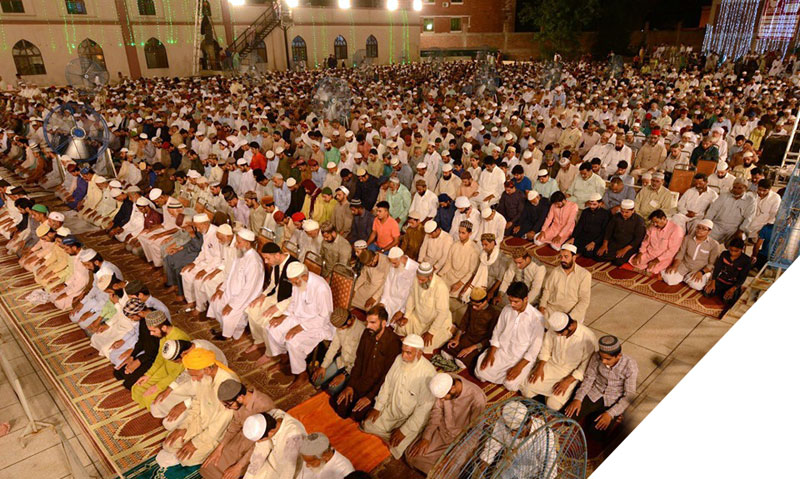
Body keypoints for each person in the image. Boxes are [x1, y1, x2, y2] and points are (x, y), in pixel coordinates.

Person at [156, 348, 238, 468]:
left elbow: (219, 426)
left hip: (215, 433)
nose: (193, 379)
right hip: (199, 421)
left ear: (206, 369)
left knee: (186, 459)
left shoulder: (229, 386)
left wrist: (195, 443)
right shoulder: (205, 376)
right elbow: (197, 402)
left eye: (194, 376)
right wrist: (184, 426)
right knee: (168, 444)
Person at [361, 334, 436, 459]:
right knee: (367, 424)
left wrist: (404, 430)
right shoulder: (398, 359)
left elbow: (424, 408)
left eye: (408, 353)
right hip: (392, 410)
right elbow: (388, 384)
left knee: (396, 447)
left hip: (409, 418)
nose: (404, 356)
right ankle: (389, 434)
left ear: (419, 353)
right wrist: (378, 407)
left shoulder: (428, 373)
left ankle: (397, 435)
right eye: (403, 351)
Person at [265, 262, 334, 387]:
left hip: (316, 325)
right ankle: (285, 359)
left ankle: (302, 374)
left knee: (292, 340)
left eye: (295, 283)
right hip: (297, 317)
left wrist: (299, 328)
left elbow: (324, 317)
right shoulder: (298, 282)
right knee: (271, 327)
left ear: (304, 276)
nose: (294, 285)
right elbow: (293, 301)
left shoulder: (320, 288)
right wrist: (284, 315)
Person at [404, 373, 487, 474]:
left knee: (445, 472)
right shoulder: (443, 380)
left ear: (452, 389)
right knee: (411, 455)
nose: (441, 400)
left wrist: (454, 458)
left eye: (444, 397)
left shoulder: (477, 398)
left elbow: (475, 432)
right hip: (442, 431)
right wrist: (426, 438)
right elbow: (436, 414)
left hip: (460, 440)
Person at [330, 305, 402, 421]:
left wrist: (370, 397)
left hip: (376, 389)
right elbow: (359, 362)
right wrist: (350, 386)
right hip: (360, 383)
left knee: (357, 415)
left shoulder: (393, 343)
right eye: (368, 322)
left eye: (373, 322)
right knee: (341, 406)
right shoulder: (366, 334)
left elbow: (387, 377)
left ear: (383, 323)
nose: (368, 326)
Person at [565, 335, 638, 442]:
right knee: (568, 416)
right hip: (594, 393)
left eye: (607, 359)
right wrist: (578, 399)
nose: (603, 362)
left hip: (613, 400)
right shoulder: (596, 357)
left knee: (595, 433)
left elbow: (630, 395)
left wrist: (610, 413)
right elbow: (589, 379)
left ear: (619, 356)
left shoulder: (630, 365)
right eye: (601, 357)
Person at [474, 282, 545, 392]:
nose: (512, 305)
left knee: (510, 384)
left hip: (520, 358)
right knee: (480, 372)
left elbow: (534, 349)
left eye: (516, 302)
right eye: (510, 301)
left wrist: (519, 367)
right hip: (502, 352)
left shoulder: (537, 318)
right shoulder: (507, 309)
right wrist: (491, 353)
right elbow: (497, 331)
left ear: (526, 299)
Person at [199, 380, 275, 479]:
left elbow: (263, 443)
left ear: (240, 398)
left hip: (254, 448)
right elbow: (234, 425)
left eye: (228, 405)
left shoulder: (264, 405)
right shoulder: (240, 403)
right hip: (239, 440)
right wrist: (219, 448)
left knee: (225, 474)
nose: (227, 408)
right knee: (209, 467)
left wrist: (239, 466)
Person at [521, 312, 597, 410]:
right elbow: (546, 348)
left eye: (560, 333)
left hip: (570, 373)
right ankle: (543, 399)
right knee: (526, 389)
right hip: (552, 365)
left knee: (553, 404)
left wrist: (567, 381)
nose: (558, 335)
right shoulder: (556, 329)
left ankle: (552, 398)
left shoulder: (588, 337)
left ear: (570, 326)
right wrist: (540, 367)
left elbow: (586, 366)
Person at [208, 229, 265, 340]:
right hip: (231, 291)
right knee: (216, 301)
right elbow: (231, 274)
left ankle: (237, 335)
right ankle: (225, 330)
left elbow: (249, 289)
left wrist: (232, 304)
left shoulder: (254, 262)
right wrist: (222, 288)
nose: (235, 244)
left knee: (229, 315)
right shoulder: (240, 253)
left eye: (238, 242)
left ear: (247, 244)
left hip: (245, 298)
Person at [130, 311, 191, 409]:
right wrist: (148, 375)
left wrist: (158, 386)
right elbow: (159, 358)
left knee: (150, 397)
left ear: (163, 328)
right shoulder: (163, 335)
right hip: (165, 370)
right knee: (138, 387)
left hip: (177, 377)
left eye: (153, 331)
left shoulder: (179, 340)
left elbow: (178, 372)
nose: (151, 333)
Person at [393, 262, 453, 354]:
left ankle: (450, 329)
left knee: (425, 346)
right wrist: (407, 316)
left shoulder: (440, 287)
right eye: (419, 279)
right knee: (400, 327)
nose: (419, 282)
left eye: (422, 280)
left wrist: (431, 332)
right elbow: (411, 297)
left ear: (430, 277)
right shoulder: (417, 279)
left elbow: (443, 313)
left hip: (436, 323)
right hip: (419, 318)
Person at [441, 287, 500, 370]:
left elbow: (490, 338)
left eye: (477, 305)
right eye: (473, 305)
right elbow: (463, 323)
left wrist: (470, 349)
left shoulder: (494, 314)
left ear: (485, 301)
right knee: (445, 352)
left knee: (460, 362)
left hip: (479, 344)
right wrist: (457, 338)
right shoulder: (471, 306)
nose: (474, 308)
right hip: (467, 337)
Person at [311, 308, 365, 395]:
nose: (339, 330)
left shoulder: (362, 331)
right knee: (316, 381)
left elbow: (361, 360)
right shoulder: (340, 325)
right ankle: (330, 381)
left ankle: (340, 383)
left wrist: (344, 375)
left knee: (332, 389)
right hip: (342, 361)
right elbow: (333, 347)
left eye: (341, 328)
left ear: (349, 322)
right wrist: (323, 366)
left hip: (353, 368)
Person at [241, 411, 306, 479]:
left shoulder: (293, 436)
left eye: (260, 440)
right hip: (273, 465)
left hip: (293, 472)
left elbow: (288, 471)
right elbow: (259, 454)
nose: (259, 442)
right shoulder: (270, 418)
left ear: (270, 433)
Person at [539, 244, 592, 323]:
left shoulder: (584, 275)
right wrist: (542, 307)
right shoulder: (555, 271)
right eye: (561, 257)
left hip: (571, 312)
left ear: (574, 258)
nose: (562, 260)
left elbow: (584, 301)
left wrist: (570, 317)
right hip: (552, 310)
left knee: (562, 332)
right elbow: (547, 290)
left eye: (566, 257)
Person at [661, 219, 720, 290]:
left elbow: (712, 264)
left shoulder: (714, 245)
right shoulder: (687, 238)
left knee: (697, 286)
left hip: (699, 269)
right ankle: (686, 278)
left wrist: (701, 272)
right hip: (684, 265)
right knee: (668, 278)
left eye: (704, 229)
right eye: (698, 227)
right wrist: (675, 266)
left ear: (709, 232)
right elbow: (680, 254)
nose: (700, 230)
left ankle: (691, 277)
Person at [629, 210, 685, 275]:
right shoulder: (652, 227)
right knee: (634, 261)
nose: (654, 224)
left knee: (652, 269)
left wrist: (656, 260)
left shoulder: (676, 230)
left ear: (664, 218)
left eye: (656, 222)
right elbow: (645, 242)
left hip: (664, 258)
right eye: (653, 222)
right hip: (650, 253)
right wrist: (640, 253)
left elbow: (672, 251)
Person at [594, 199, 646, 266]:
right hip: (616, 242)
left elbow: (638, 239)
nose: (623, 214)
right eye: (622, 211)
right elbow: (608, 231)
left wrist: (624, 250)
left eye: (627, 212)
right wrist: (604, 245)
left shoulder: (639, 221)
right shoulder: (616, 216)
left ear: (633, 211)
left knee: (618, 262)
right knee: (598, 256)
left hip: (629, 245)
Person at [704, 179, 756, 244]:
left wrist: (741, 230)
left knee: (738, 242)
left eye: (740, 188)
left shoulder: (750, 200)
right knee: (704, 237)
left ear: (745, 188)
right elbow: (713, 210)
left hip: (735, 229)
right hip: (717, 225)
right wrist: (706, 223)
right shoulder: (724, 196)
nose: (736, 190)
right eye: (734, 187)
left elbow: (749, 217)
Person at [704, 237, 750, 310]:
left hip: (733, 284)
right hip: (721, 281)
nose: (732, 253)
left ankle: (733, 292)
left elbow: (742, 277)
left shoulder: (746, 260)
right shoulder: (724, 254)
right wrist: (712, 282)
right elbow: (717, 269)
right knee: (707, 293)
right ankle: (722, 292)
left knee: (728, 301)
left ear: (742, 249)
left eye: (736, 251)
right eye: (731, 250)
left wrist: (733, 289)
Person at [440, 221, 479, 298]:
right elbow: (448, 263)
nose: (460, 235)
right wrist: (439, 274)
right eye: (459, 232)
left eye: (463, 233)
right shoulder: (455, 245)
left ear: (470, 233)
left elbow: (471, 272)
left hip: (460, 280)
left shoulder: (474, 250)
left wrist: (460, 283)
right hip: (448, 276)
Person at [380, 247, 420, 319]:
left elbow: (413, 293)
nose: (393, 265)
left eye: (394, 263)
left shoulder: (415, 269)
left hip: (404, 303)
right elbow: (388, 284)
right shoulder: (393, 265)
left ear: (402, 258)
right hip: (390, 300)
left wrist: (402, 310)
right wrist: (383, 301)